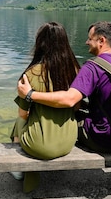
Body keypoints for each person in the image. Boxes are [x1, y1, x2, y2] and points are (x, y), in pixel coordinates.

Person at [18, 21, 111, 153]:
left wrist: (30, 94)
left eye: (89, 38)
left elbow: (69, 100)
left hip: (103, 139)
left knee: (26, 117)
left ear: (101, 40)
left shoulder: (93, 67)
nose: (86, 42)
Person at [10, 22, 80, 189]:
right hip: (68, 143)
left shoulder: (31, 75)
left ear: (40, 44)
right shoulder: (75, 71)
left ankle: (17, 168)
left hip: (40, 146)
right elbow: (76, 107)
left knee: (18, 122)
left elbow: (22, 114)